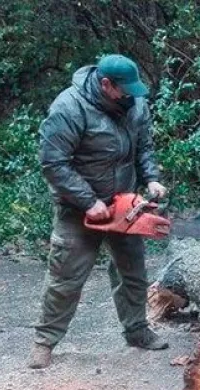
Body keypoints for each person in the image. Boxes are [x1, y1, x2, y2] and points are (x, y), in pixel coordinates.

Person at [27, 54, 169, 369]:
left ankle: (137, 331)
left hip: (125, 204)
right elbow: (53, 162)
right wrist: (88, 201)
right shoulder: (69, 108)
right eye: (124, 89)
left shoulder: (136, 104)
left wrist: (152, 178)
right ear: (106, 84)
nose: (131, 95)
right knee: (65, 277)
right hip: (78, 209)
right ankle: (45, 341)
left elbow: (144, 147)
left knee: (133, 274)